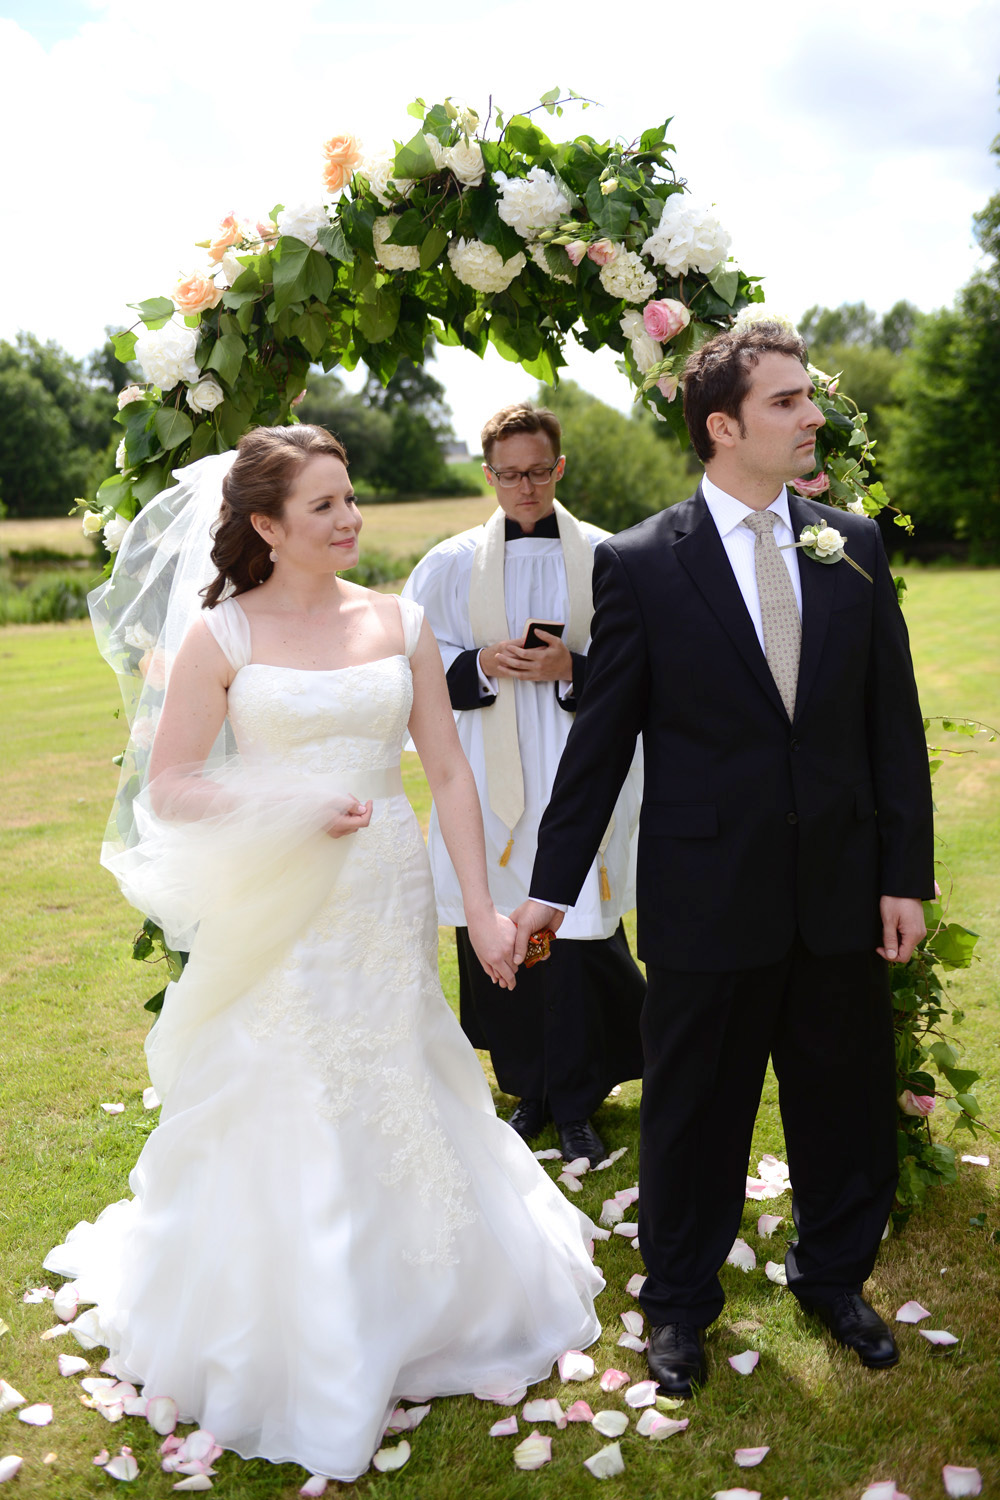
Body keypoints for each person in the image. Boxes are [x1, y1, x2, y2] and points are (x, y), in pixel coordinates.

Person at [44, 426, 602, 1483]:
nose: (349, 520)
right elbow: (169, 788)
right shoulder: (222, 636)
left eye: (351, 499)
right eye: (324, 507)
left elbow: (444, 769)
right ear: (265, 526)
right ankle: (298, 1306)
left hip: (385, 886)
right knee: (289, 1075)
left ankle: (433, 1294)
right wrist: (291, 801)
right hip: (286, 895)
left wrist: (480, 912)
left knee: (397, 1058)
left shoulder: (401, 618)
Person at [512, 323, 934, 1396]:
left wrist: (902, 876)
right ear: (723, 426)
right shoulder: (643, 564)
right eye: (788, 401)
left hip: (839, 890)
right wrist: (548, 891)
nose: (812, 417)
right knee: (694, 1112)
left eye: (807, 399)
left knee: (842, 1102)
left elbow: (892, 726)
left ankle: (833, 1277)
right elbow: (599, 745)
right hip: (706, 896)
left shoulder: (854, 544)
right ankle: (679, 1305)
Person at [402, 403, 645, 1169]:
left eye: (539, 471)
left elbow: (643, 665)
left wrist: (572, 668)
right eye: (509, 474)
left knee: (572, 937)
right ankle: (526, 1091)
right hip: (485, 770)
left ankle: (577, 1103)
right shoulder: (447, 565)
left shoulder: (610, 557)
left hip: (576, 766)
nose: (526, 486)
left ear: (560, 469)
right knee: (497, 927)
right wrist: (478, 665)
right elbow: (409, 667)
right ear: (489, 476)